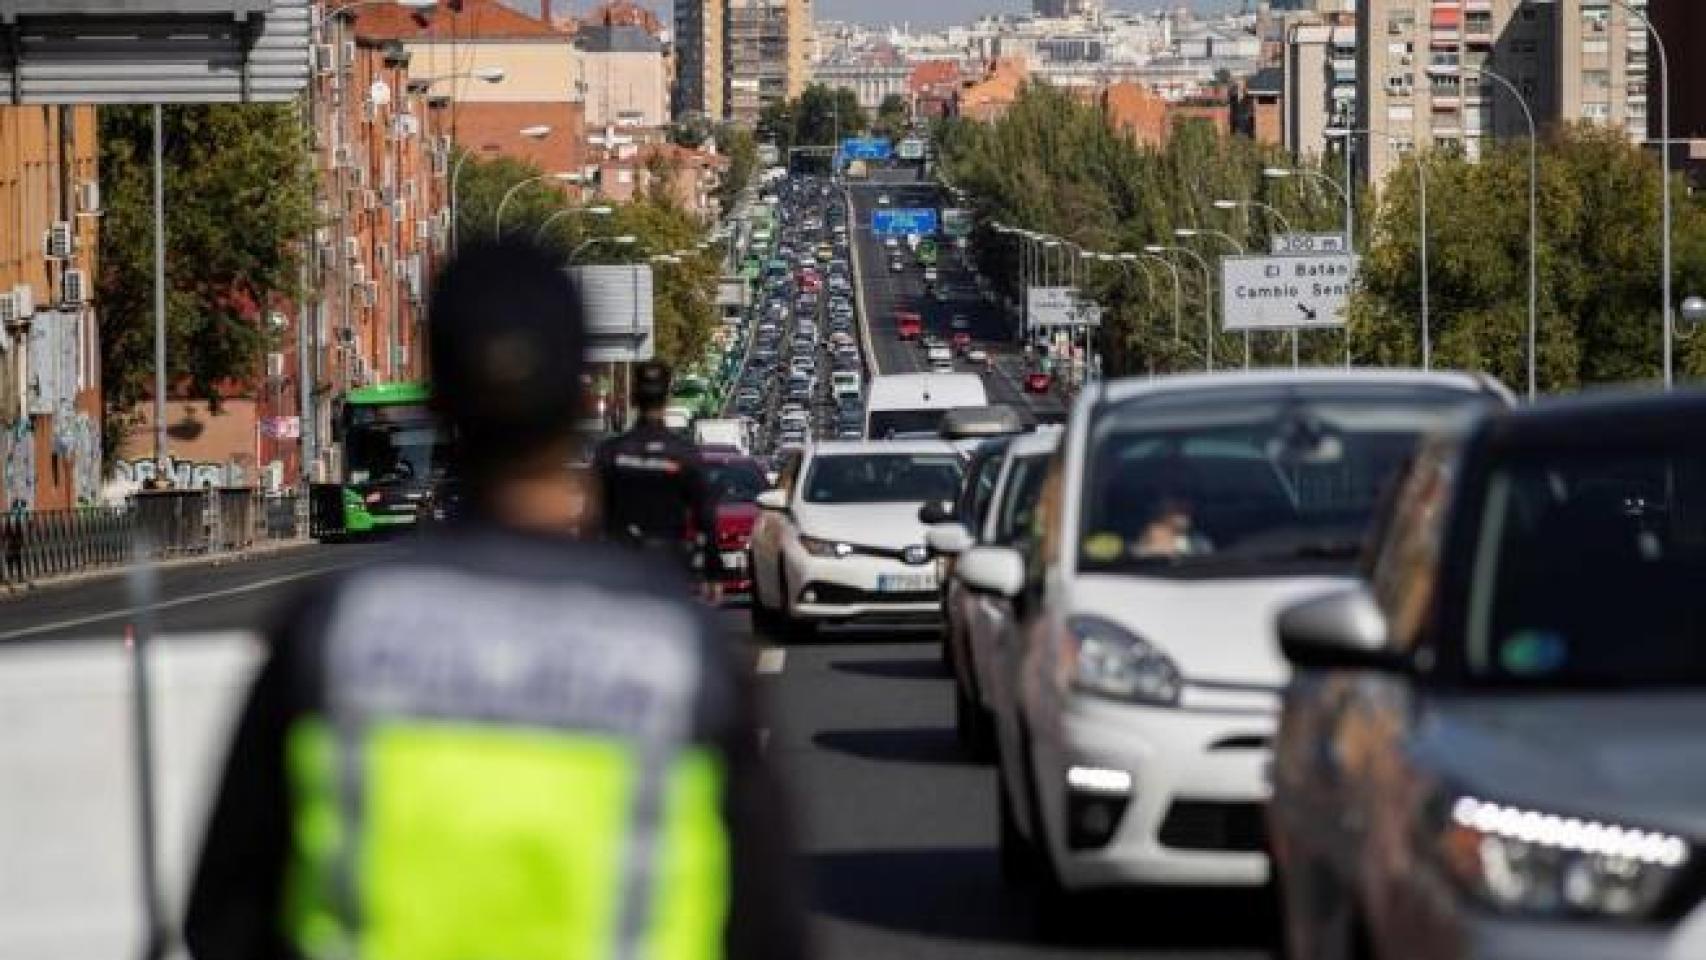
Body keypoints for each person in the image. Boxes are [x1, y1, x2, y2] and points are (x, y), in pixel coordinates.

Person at [184, 238, 807, 960]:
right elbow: (767, 928)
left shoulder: (333, 632)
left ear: (440, 399)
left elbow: (227, 916)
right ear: (578, 399)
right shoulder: (677, 652)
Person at [594, 360, 724, 600]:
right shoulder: (684, 454)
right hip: (668, 568)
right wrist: (713, 572)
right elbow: (705, 517)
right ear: (667, 400)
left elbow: (594, 516)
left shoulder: (611, 452)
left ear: (634, 398)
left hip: (621, 569)